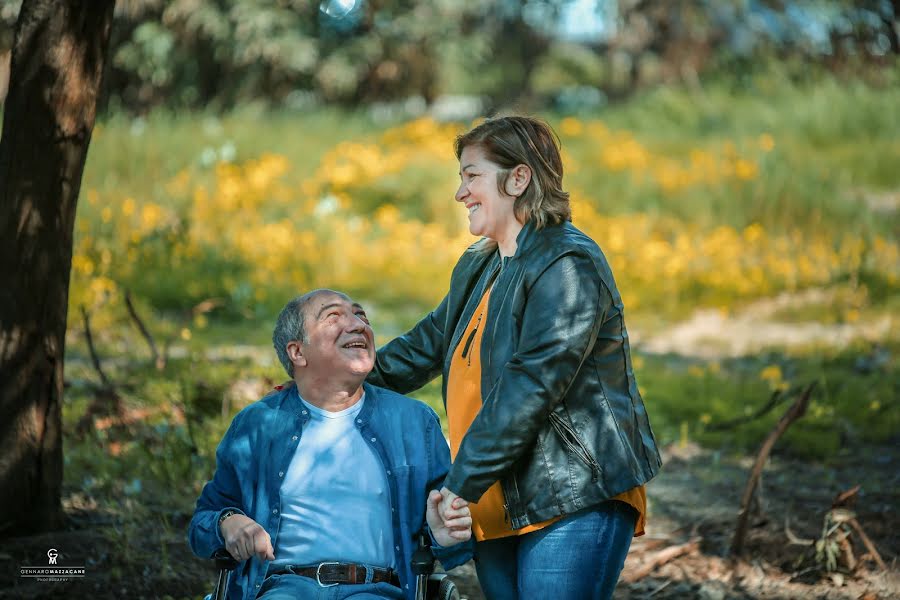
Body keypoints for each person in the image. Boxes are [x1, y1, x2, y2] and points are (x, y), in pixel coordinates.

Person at [367, 116, 662, 600]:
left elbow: (530, 388)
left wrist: (458, 486)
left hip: (571, 498)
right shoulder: (480, 263)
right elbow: (426, 345)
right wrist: (336, 382)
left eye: (472, 175)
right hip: (492, 500)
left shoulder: (568, 264)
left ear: (519, 178)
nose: (460, 193)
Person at [188, 289, 473, 600]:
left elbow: (447, 529)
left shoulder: (413, 422)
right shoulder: (258, 424)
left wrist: (443, 534)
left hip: (375, 591)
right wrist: (228, 522)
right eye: (333, 316)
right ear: (298, 353)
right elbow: (203, 522)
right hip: (283, 588)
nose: (358, 325)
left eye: (361, 315)